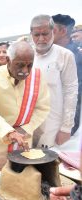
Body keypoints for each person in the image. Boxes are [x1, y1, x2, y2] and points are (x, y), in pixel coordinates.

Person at [0, 41, 50, 178]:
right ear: (8, 60)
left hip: (23, 140)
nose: (25, 71)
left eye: (29, 65)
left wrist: (24, 130)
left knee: (20, 181)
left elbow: (42, 109)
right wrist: (9, 132)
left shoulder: (37, 77)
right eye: (20, 65)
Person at [31, 14, 78, 147]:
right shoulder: (27, 55)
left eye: (45, 33)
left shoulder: (65, 55)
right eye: (37, 35)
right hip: (29, 122)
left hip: (53, 123)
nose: (41, 39)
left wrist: (66, 128)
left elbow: (71, 92)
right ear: (31, 34)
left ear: (53, 31)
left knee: (49, 161)